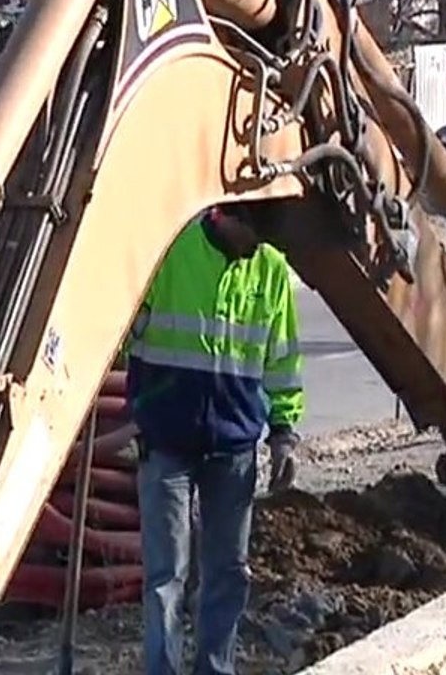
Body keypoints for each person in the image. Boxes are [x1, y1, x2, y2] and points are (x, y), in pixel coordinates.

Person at [126, 202, 305, 675]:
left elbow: (281, 360)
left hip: (234, 447)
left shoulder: (270, 270)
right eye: (254, 233)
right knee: (167, 577)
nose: (258, 246)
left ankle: (214, 668)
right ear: (225, 216)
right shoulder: (172, 250)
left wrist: (284, 432)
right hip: (166, 440)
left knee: (228, 572)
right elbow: (121, 329)